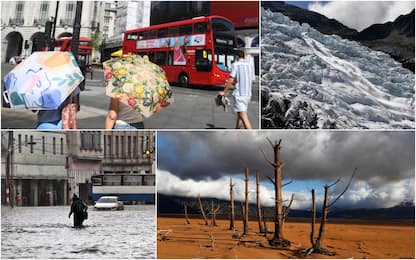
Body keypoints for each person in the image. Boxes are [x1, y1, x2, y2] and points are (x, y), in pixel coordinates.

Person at [218, 49, 255, 129]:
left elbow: (231, 80)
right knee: (240, 115)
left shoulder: (235, 65)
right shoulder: (250, 65)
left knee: (244, 117)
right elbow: (253, 81)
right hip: (248, 95)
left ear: (237, 56)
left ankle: (251, 135)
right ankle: (236, 132)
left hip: (239, 95)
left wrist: (224, 92)